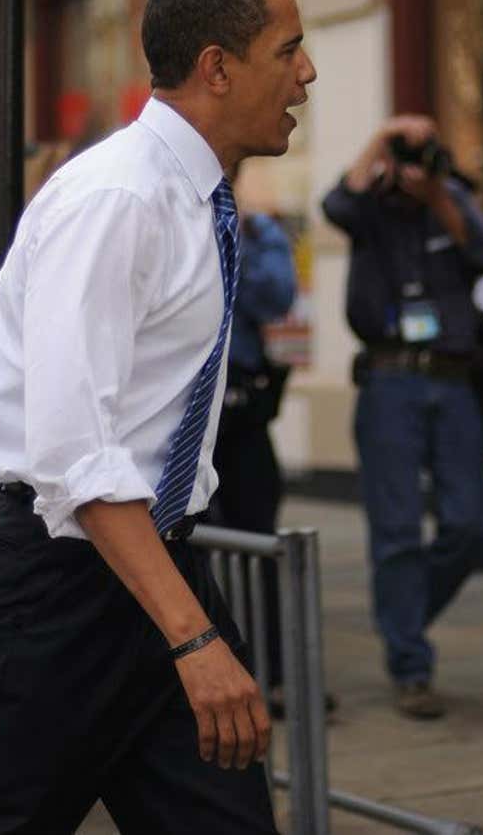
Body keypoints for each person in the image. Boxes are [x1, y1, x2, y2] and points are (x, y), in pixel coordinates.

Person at [0, 0, 315, 834]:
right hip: (55, 583)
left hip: (151, 562)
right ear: (218, 67)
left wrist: (183, 618)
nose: (307, 73)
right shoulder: (118, 199)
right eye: (288, 50)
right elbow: (75, 454)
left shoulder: (191, 196)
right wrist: (196, 637)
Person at [322, 115, 483, 719]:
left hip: (452, 381)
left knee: (470, 523)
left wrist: (438, 195)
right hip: (389, 380)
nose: (413, 163)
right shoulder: (368, 208)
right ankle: (410, 665)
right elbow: (335, 204)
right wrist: (381, 136)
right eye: (407, 153)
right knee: (397, 529)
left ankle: (400, 618)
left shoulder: (452, 200)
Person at [206, 210, 298, 709]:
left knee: (257, 539)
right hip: (180, 410)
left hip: (240, 405)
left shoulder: (257, 229)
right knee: (184, 545)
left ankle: (267, 672)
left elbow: (277, 299)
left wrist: (227, 238)